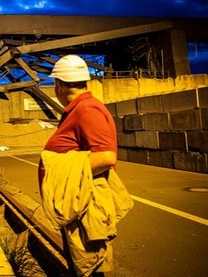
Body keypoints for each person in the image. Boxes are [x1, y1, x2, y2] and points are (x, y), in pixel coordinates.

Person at [38, 54, 132, 276]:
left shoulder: (87, 110)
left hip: (85, 203)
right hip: (78, 201)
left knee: (89, 266)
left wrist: (60, 174)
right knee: (81, 264)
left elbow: (107, 156)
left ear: (59, 85)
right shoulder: (78, 109)